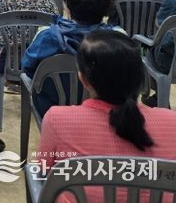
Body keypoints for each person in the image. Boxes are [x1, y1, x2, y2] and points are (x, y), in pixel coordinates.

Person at [37, 30, 176, 201]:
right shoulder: (172, 122)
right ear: (141, 77)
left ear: (83, 79)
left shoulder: (57, 120)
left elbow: (43, 173)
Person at [22, 0, 120, 117]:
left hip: (52, 109)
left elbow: (28, 68)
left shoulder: (47, 36)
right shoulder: (119, 38)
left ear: (67, 5)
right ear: (109, 6)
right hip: (106, 112)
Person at [148, 0, 176, 76]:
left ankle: (146, 81)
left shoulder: (171, 1)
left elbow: (160, 26)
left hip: (168, 61)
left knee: (142, 45)